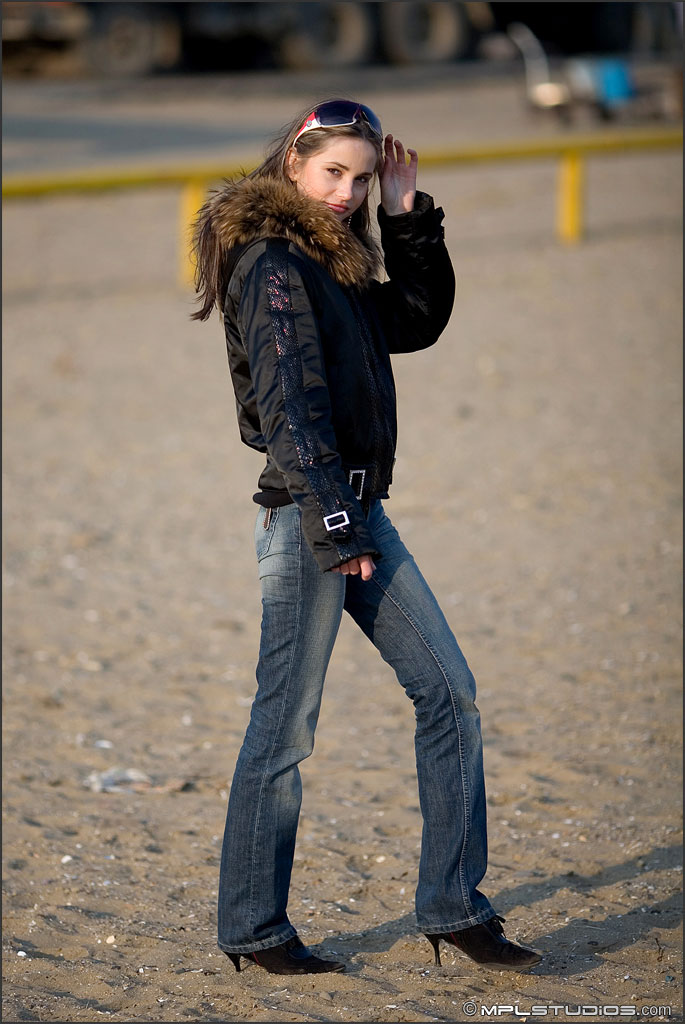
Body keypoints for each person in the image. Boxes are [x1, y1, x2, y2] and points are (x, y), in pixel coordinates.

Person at [192, 98, 542, 976]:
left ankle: (453, 907)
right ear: (292, 164)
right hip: (310, 516)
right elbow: (289, 407)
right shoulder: (272, 262)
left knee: (449, 694)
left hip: (358, 511)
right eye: (332, 174)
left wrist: (406, 218)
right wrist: (335, 521)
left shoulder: (331, 257)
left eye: (361, 177)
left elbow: (414, 321)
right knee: (285, 728)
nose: (345, 193)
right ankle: (253, 929)